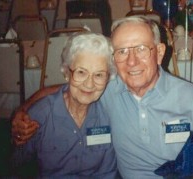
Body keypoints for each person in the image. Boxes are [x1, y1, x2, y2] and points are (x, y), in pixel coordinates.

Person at [12, 16, 193, 178]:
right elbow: (69, 88)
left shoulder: (190, 97)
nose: (132, 61)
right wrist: (22, 111)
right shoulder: (107, 88)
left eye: (142, 49)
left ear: (160, 52)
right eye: (122, 51)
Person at [11, 32, 117, 178]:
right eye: (81, 72)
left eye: (99, 75)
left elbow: (107, 173)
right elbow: (18, 167)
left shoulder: (107, 114)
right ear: (67, 73)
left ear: (108, 78)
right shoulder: (41, 114)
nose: (89, 84)